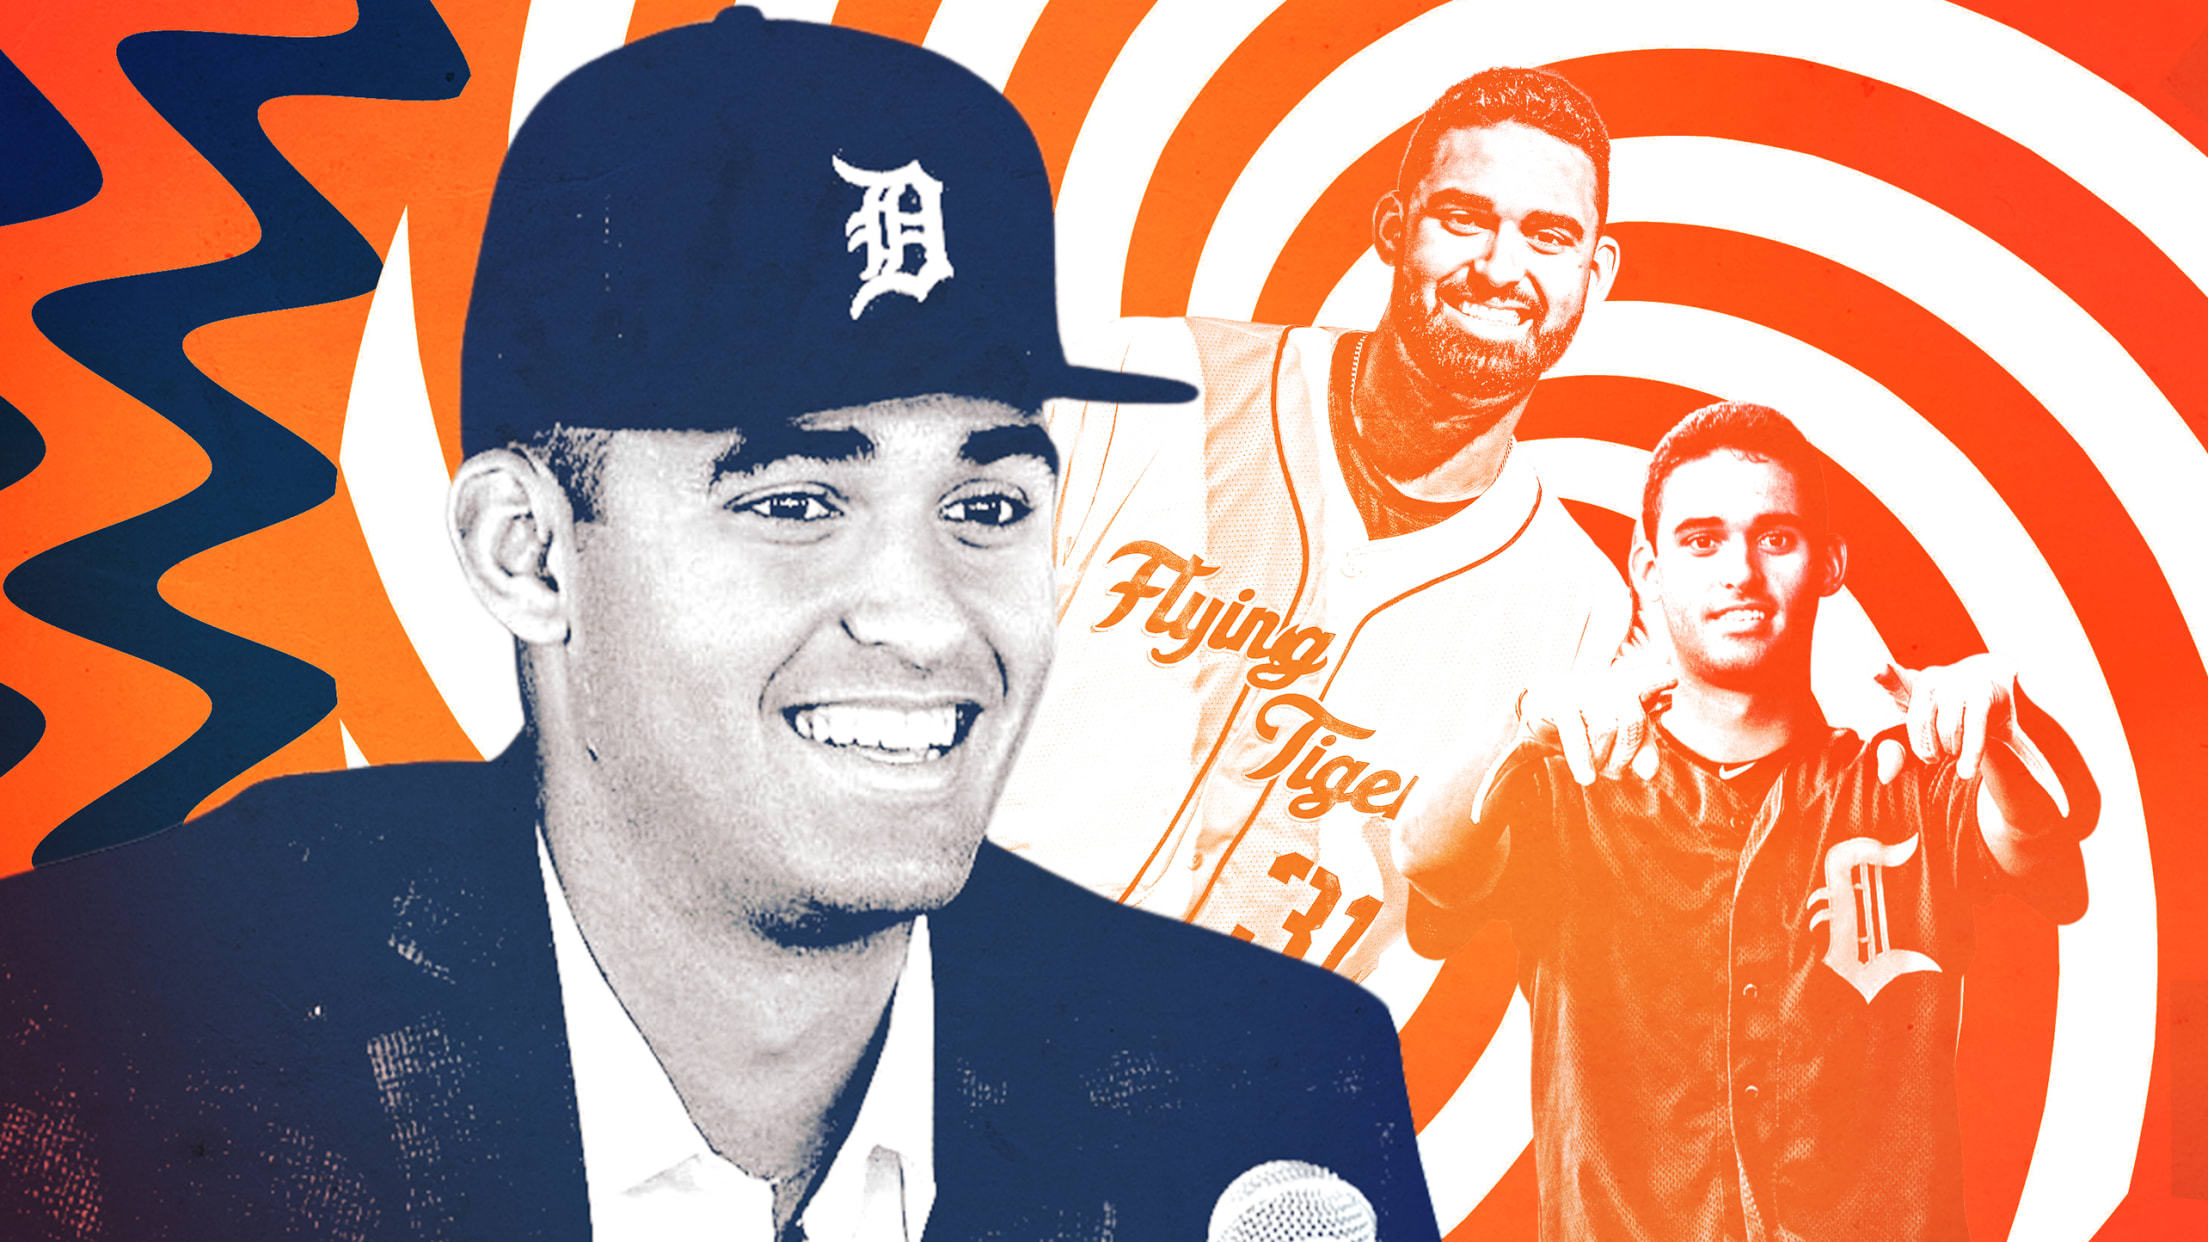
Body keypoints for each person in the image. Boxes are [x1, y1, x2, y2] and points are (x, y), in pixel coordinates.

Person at [0, 12, 1437, 1242]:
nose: (926, 620)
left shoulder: (1265, 1089)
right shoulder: (96, 1039)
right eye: (799, 500)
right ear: (529, 552)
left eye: (987, 508)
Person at [989, 67, 1632, 986]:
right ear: (1392, 228)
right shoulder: (1150, 381)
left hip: (1234, 1095)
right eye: (1462, 218)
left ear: (1594, 272)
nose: (1500, 266)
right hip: (955, 1005)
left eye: (1548, 235)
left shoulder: (1578, 617)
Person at [1396, 402, 2096, 1241]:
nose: (1740, 571)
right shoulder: (1567, 789)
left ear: (1831, 563)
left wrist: (2004, 727)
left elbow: (2045, 843)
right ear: (1646, 567)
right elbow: (1424, 854)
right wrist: (1524, 719)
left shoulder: (1904, 787)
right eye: (1701, 540)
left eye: (1776, 537)